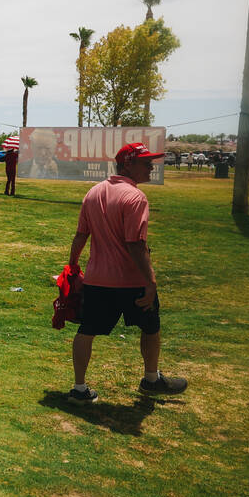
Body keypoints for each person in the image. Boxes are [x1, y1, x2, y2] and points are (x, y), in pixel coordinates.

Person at [66, 142, 186, 402]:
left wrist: (73, 268)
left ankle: (79, 388)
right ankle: (151, 380)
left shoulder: (94, 192)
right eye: (146, 163)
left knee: (87, 331)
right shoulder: (135, 197)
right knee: (151, 328)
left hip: (98, 279)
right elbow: (135, 244)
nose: (151, 168)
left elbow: (80, 235)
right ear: (127, 164)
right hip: (132, 282)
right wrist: (150, 281)